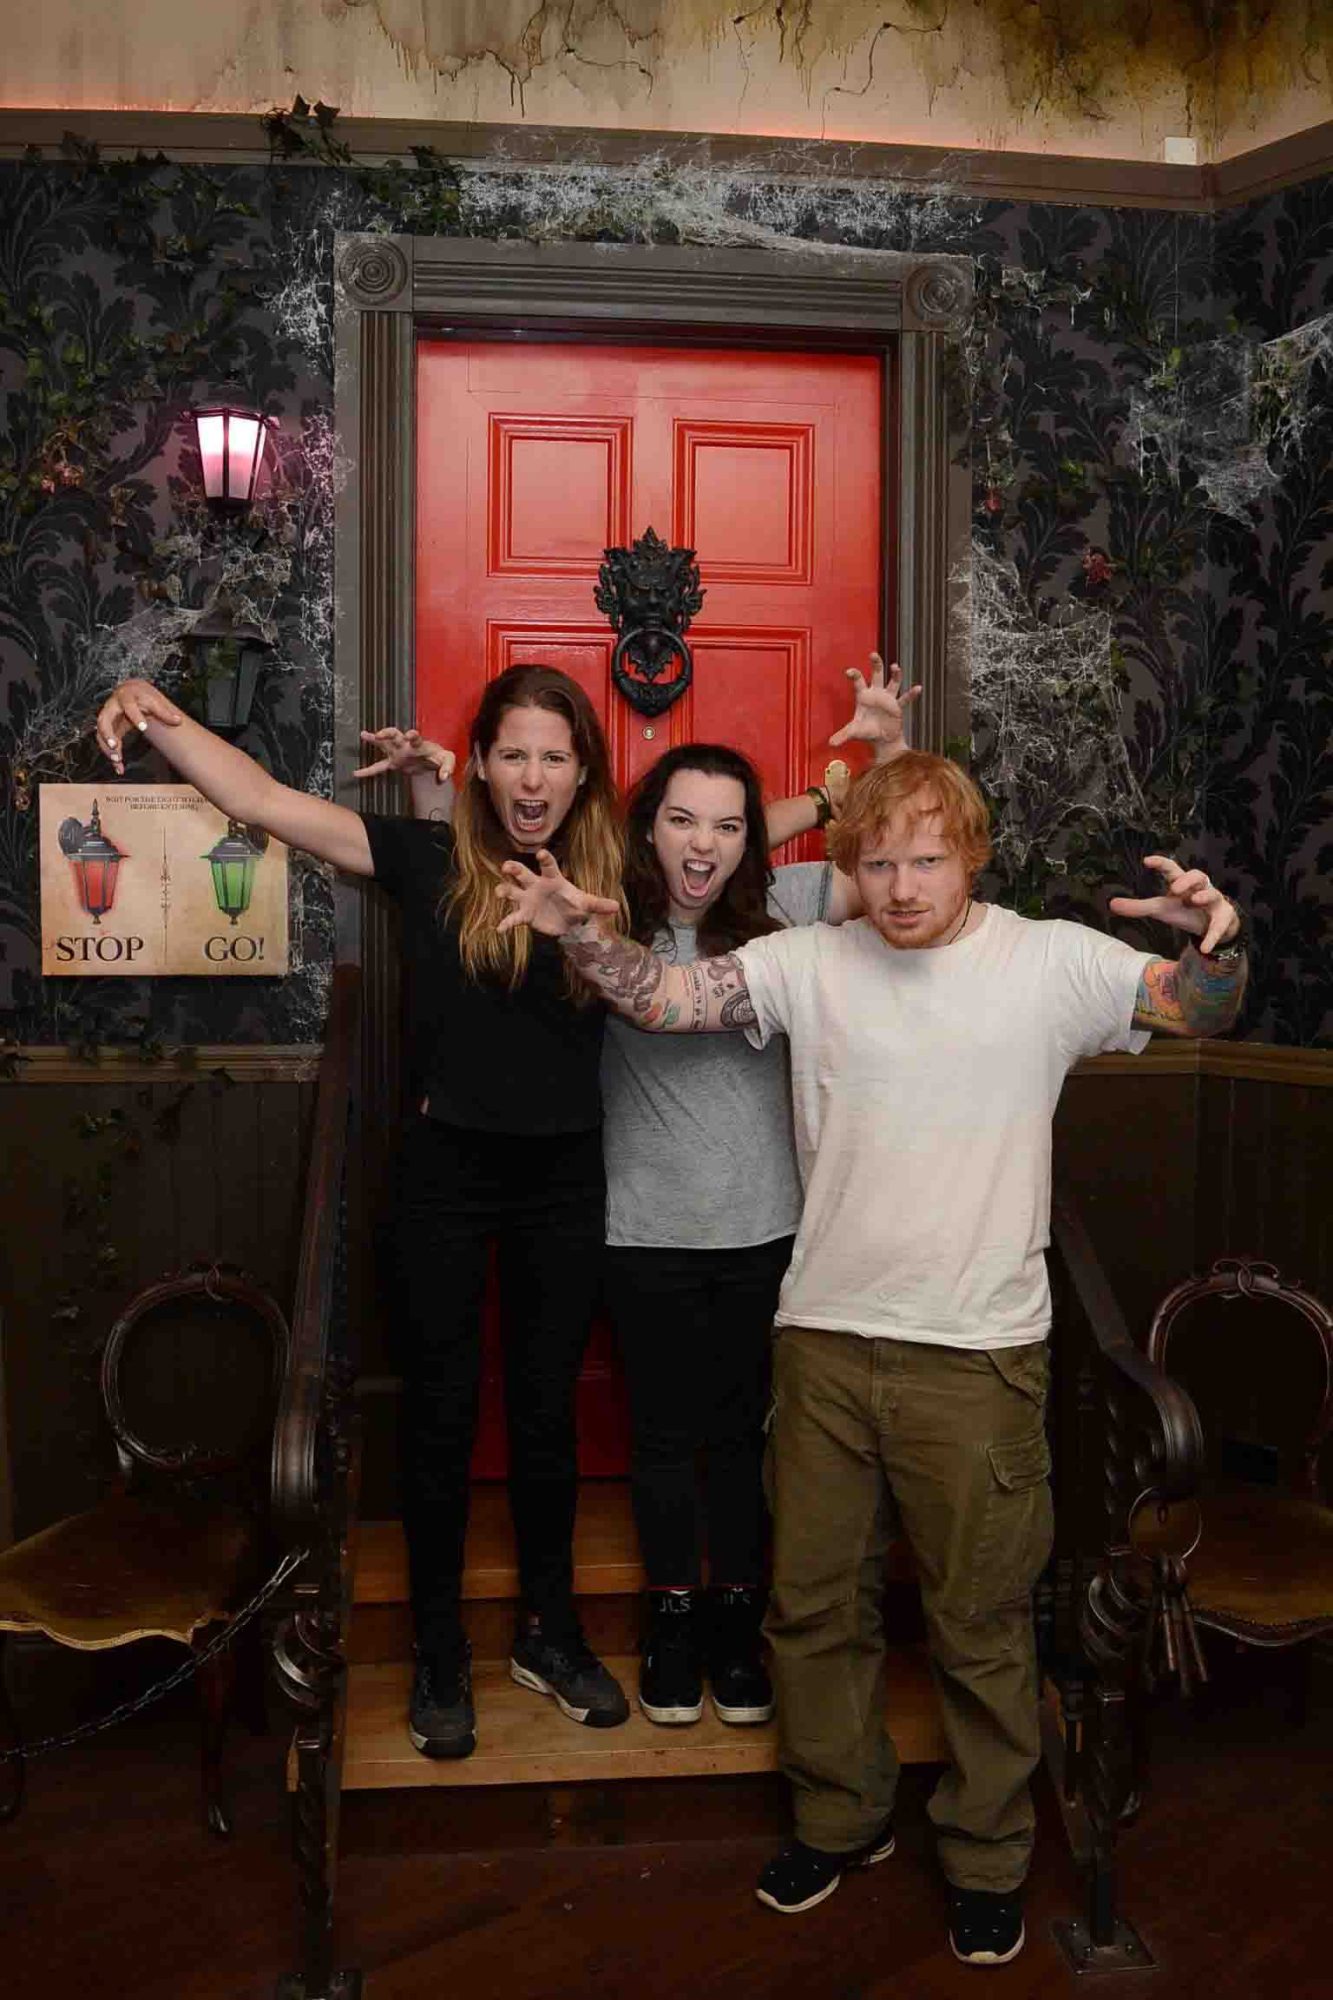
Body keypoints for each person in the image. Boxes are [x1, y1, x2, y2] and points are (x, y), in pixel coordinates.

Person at [493, 749, 1248, 1967]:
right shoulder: (808, 961)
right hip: (825, 1343)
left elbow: (1199, 1007)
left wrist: (1217, 941)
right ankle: (838, 1818)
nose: (900, 885)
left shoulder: (1049, 962)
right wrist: (588, 937)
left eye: (927, 858)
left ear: (972, 855)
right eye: (877, 859)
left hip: (980, 1356)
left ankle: (989, 1852)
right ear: (848, 863)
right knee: (810, 1609)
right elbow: (666, 1002)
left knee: (981, 1623)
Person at [93, 664, 633, 1762]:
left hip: (567, 1178)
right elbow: (259, 800)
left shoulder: (615, 877)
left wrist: (839, 783)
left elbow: (736, 837)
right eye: (514, 752)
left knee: (541, 1418)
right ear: (478, 761)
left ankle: (550, 1630)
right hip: (443, 1172)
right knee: (436, 1418)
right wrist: (155, 705)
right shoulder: (428, 857)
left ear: (583, 773)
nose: (533, 775)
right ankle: (439, 1648)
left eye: (555, 755)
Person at [373, 661, 916, 1731]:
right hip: (634, 1227)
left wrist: (870, 765)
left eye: (718, 827)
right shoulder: (603, 900)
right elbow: (506, 868)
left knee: (745, 1434)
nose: (700, 841)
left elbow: (884, 865)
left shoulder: (792, 904)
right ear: (643, 827)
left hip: (767, 1226)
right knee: (662, 1433)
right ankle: (668, 1619)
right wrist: (449, 792)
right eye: (677, 821)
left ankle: (731, 1619)